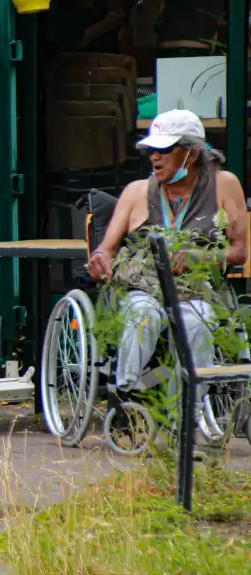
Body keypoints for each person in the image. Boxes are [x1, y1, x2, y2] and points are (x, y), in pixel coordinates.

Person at [88, 109, 247, 396]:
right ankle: (126, 393)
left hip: (194, 290)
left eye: (164, 149)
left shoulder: (224, 184)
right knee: (144, 315)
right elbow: (106, 248)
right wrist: (100, 258)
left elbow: (239, 251)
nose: (154, 157)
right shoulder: (136, 191)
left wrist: (202, 258)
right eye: (151, 149)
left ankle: (188, 409)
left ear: (192, 153)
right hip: (142, 288)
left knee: (198, 323)